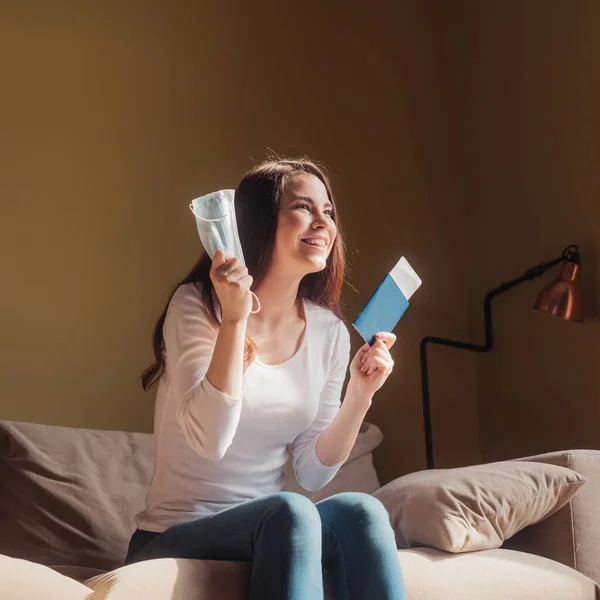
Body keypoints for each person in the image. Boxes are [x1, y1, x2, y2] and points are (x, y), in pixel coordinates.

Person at [126, 157, 406, 600]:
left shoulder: (329, 332)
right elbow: (211, 441)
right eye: (303, 207)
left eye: (328, 212)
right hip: (175, 534)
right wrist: (234, 318)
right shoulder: (196, 305)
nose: (323, 222)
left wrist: (361, 395)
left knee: (361, 511)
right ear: (259, 221)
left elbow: (313, 472)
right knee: (290, 512)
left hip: (273, 528)